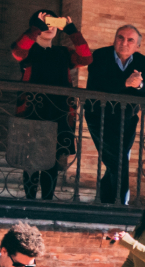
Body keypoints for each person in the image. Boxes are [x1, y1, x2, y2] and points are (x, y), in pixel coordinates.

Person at [11, 11, 90, 199]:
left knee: (52, 162)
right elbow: (17, 51)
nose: (49, 28)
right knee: (30, 161)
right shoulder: (29, 50)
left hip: (59, 111)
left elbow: (86, 58)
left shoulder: (63, 52)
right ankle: (29, 200)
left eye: (52, 24)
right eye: (45, 24)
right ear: (36, 27)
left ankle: (47, 200)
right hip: (32, 111)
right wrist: (35, 29)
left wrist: (72, 31)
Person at [86, 24, 145, 205]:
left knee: (116, 162)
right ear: (114, 39)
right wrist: (125, 83)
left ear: (137, 46)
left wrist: (138, 86)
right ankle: (119, 205)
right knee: (119, 162)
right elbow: (96, 86)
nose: (124, 42)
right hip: (100, 117)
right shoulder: (100, 56)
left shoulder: (142, 62)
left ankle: (105, 200)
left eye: (130, 40)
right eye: (120, 37)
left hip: (127, 119)